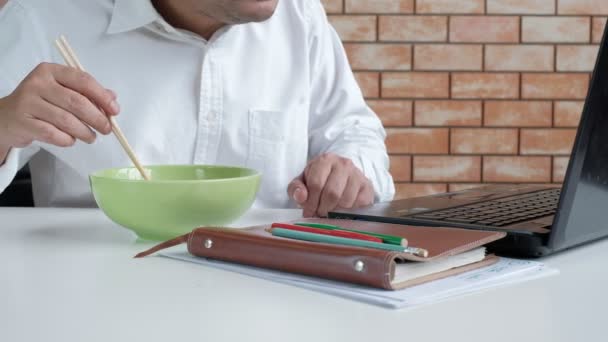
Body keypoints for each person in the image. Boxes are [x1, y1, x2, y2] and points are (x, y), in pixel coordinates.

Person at [0, 0, 394, 217]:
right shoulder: (43, 17)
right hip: (94, 292)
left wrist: (349, 169)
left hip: (271, 291)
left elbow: (354, 132)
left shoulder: (300, 16)